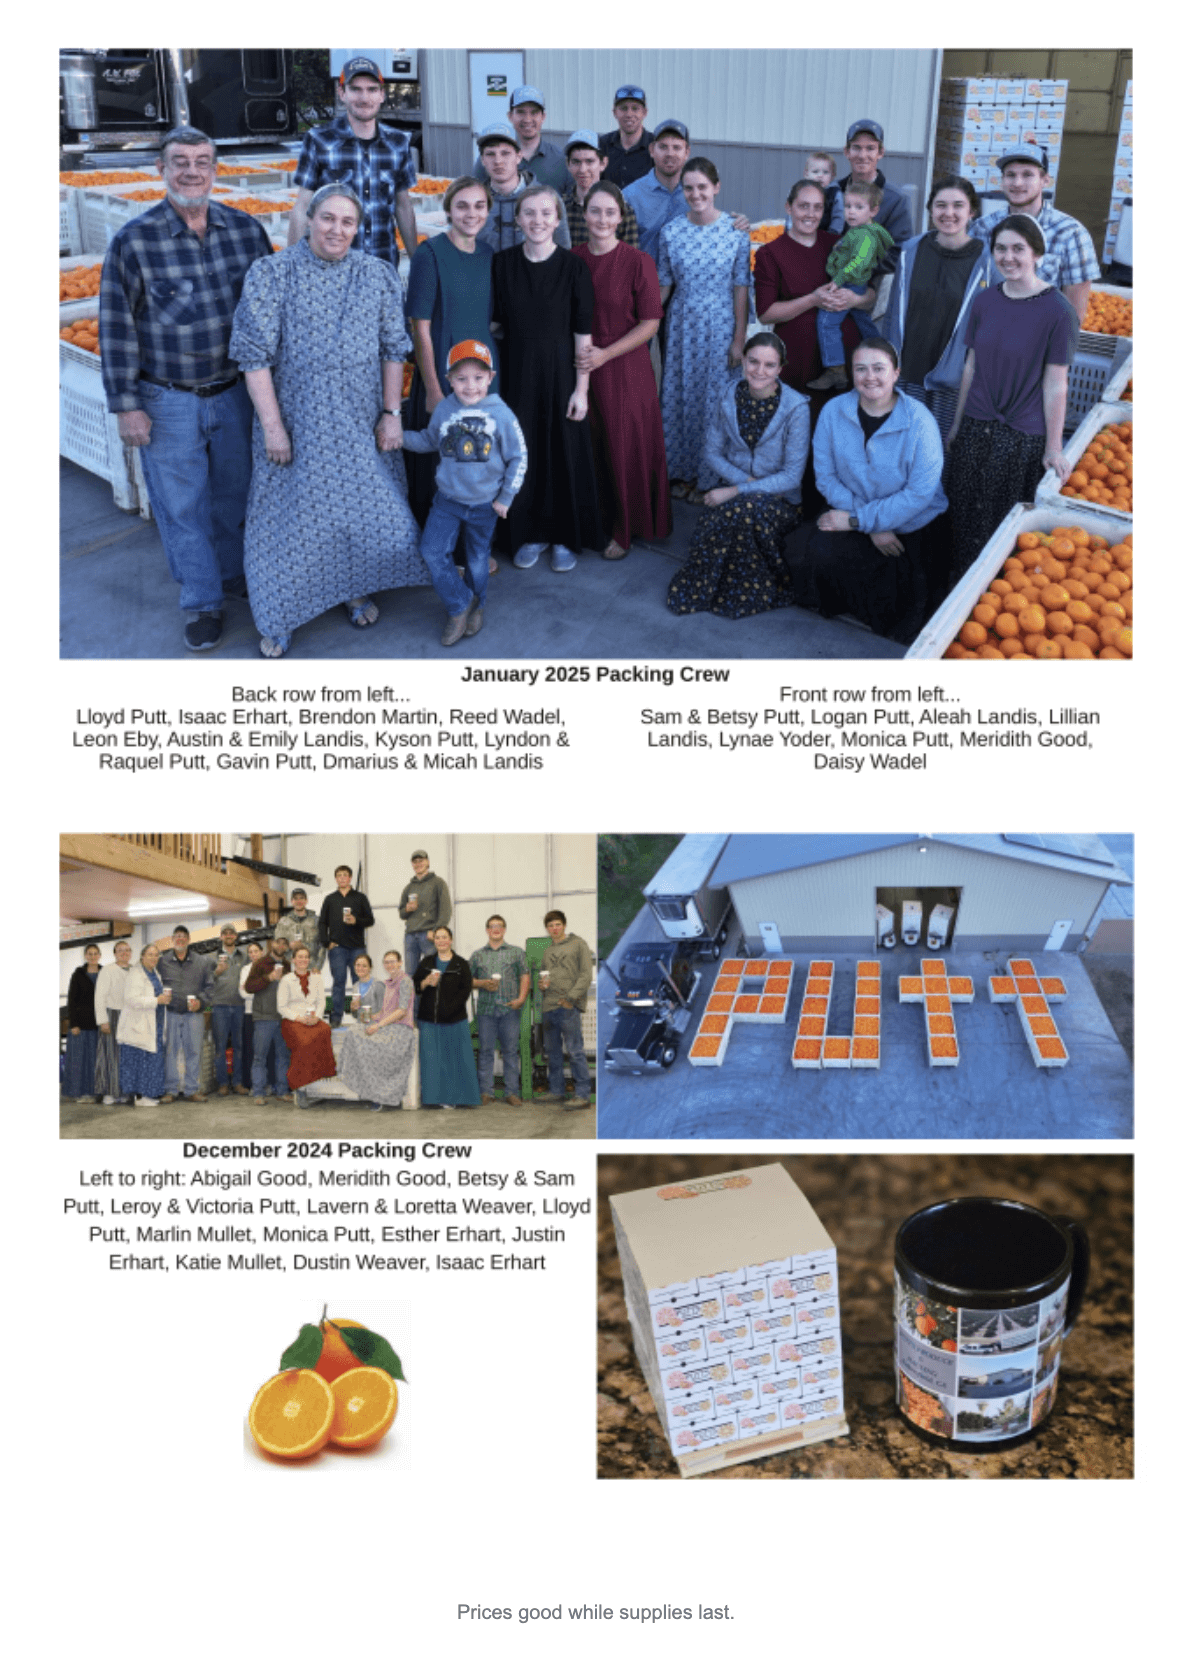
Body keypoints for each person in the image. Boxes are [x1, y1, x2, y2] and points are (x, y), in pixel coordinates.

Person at [229, 183, 424, 658]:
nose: (337, 229)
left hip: (359, 420)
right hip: (297, 422)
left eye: (347, 221)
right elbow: (253, 357)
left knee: (361, 515)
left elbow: (393, 348)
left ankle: (353, 591)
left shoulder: (377, 274)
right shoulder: (272, 273)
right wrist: (273, 428)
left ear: (359, 229)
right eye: (328, 218)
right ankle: (280, 615)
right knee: (290, 523)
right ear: (309, 220)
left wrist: (391, 414)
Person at [99, 125, 271, 652]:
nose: (191, 171)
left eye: (201, 161)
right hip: (168, 398)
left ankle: (232, 572)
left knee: (236, 494)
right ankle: (202, 600)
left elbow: (270, 314)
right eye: (180, 162)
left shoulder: (246, 232)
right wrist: (127, 406)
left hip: (235, 392)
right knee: (181, 506)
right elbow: (116, 328)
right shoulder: (134, 241)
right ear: (161, 169)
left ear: (215, 170)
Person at [784, 338, 946, 642]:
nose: (869, 377)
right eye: (860, 369)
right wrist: (868, 523)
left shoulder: (920, 421)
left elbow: (920, 494)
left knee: (901, 583)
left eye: (878, 368)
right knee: (816, 554)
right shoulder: (833, 411)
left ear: (896, 373)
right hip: (852, 505)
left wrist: (861, 521)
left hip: (909, 520)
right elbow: (826, 477)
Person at [945, 216, 1077, 582]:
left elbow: (1056, 383)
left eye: (1019, 248)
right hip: (976, 427)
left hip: (1020, 436)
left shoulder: (1058, 311)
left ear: (1037, 253)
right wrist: (956, 425)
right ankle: (954, 597)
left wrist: (1054, 447)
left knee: (999, 528)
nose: (1008, 257)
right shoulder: (985, 301)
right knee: (960, 518)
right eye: (1001, 248)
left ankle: (990, 595)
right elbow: (971, 366)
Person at [492, 186, 605, 571]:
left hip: (562, 374)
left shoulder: (574, 267)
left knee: (561, 454)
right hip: (517, 374)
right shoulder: (502, 264)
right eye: (529, 213)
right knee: (523, 454)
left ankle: (563, 536)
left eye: (545, 213)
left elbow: (583, 335)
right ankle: (529, 533)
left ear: (557, 220)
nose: (537, 220)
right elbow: (494, 323)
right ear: (518, 219)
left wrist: (582, 390)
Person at [666, 332, 809, 618]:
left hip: (779, 501)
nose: (759, 370)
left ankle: (743, 593)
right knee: (739, 512)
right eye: (753, 361)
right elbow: (711, 452)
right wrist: (746, 483)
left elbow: (792, 476)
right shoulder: (728, 395)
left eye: (769, 365)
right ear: (743, 360)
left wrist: (736, 491)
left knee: (743, 511)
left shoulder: (796, 407)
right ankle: (714, 590)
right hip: (734, 489)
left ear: (780, 368)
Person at [400, 339, 528, 643]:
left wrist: (506, 497)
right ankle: (460, 603)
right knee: (431, 550)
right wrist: (398, 437)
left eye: (478, 378)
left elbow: (519, 457)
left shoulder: (502, 415)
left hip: (485, 504)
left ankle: (477, 606)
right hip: (447, 501)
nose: (470, 386)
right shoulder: (445, 408)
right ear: (449, 379)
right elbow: (430, 440)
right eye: (461, 379)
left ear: (490, 377)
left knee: (477, 559)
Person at [574, 182, 670, 559]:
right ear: (584, 214)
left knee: (623, 446)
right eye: (595, 211)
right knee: (590, 447)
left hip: (624, 365)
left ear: (621, 217)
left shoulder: (638, 261)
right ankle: (593, 521)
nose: (602, 219)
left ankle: (624, 528)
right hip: (583, 365)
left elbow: (650, 323)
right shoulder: (573, 259)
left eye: (610, 212)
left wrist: (607, 354)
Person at [404, 176, 498, 527]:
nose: (471, 213)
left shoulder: (488, 254)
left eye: (479, 206)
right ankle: (440, 543)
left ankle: (475, 537)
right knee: (442, 463)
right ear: (448, 210)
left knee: (478, 458)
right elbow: (420, 327)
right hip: (443, 373)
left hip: (482, 371)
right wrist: (433, 389)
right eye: (462, 206)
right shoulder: (430, 254)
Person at [657, 159, 752, 498]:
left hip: (722, 324)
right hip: (682, 325)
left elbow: (741, 287)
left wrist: (739, 338)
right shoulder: (671, 232)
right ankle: (682, 473)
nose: (695, 194)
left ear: (716, 187)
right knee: (682, 398)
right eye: (689, 188)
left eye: (702, 187)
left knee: (716, 403)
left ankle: (711, 478)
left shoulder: (736, 231)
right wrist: (640, 322)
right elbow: (664, 286)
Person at [884, 176, 995, 420]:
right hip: (907, 374)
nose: (948, 213)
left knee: (944, 442)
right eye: (941, 205)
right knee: (904, 438)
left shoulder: (987, 262)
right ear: (931, 209)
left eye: (958, 205)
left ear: (972, 212)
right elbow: (893, 312)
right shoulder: (911, 250)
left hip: (954, 382)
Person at [290, 56, 418, 265]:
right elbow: (303, 206)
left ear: (382, 94)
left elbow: (403, 206)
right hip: (332, 267)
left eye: (372, 89)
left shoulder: (398, 143)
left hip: (382, 264)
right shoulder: (319, 140)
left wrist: (418, 262)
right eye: (355, 89)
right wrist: (292, 266)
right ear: (342, 93)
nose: (364, 98)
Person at [753, 180, 868, 395]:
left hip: (846, 361)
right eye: (803, 206)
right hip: (799, 361)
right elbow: (766, 314)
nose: (811, 214)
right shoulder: (770, 254)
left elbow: (870, 296)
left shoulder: (838, 244)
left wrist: (856, 299)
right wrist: (813, 300)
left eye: (817, 207)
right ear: (789, 207)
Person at [971, 143, 1100, 323]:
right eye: (1011, 175)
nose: (1017, 183)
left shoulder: (1071, 234)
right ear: (1002, 180)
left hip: (1039, 335)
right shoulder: (983, 227)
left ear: (1045, 180)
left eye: (1027, 175)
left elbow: (1073, 314)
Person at [807, 180, 893, 391]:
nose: (851, 212)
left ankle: (835, 370)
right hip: (853, 282)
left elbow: (858, 262)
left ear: (873, 210)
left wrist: (838, 279)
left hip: (850, 284)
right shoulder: (857, 230)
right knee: (863, 321)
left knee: (827, 321)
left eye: (859, 207)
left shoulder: (866, 236)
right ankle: (884, 354)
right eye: (848, 206)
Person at [338, 950, 418, 1112]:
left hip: (401, 1029)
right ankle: (364, 1084)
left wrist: (378, 1025)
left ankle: (381, 1094)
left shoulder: (405, 981)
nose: (390, 965)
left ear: (400, 962)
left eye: (393, 961)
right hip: (388, 1025)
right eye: (386, 962)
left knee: (373, 1045)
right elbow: (384, 1011)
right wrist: (368, 1016)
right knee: (355, 1032)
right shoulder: (388, 983)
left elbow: (401, 1011)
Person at [475, 122, 571, 253]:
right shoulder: (473, 203)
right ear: (482, 160)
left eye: (505, 153)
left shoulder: (549, 199)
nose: (498, 161)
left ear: (518, 157)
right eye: (490, 154)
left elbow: (563, 252)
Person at [413, 927, 481, 1109]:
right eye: (437, 937)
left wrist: (450, 1010)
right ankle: (433, 1098)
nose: (441, 941)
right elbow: (415, 986)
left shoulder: (461, 964)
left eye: (444, 937)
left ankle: (458, 1098)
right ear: (434, 941)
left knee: (455, 1060)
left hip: (454, 1020)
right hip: (429, 1020)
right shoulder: (426, 962)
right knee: (432, 1061)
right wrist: (426, 982)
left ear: (451, 940)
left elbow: (465, 990)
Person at [831, 120, 914, 260]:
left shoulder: (896, 200)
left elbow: (899, 253)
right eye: (856, 148)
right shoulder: (833, 192)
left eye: (870, 148)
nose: (862, 155)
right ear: (847, 152)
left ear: (880, 153)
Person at [469, 916, 530, 1106]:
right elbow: (467, 980)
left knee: (510, 1051)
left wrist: (521, 999)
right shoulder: (477, 955)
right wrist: (482, 983)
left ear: (504, 929)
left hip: (509, 1009)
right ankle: (486, 1092)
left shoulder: (516, 952)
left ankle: (512, 1092)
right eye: (492, 926)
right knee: (486, 1051)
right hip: (486, 1011)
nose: (495, 929)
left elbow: (525, 976)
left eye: (499, 926)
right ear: (487, 930)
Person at [539, 911, 593, 1110]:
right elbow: (544, 979)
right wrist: (542, 985)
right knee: (552, 1053)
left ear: (564, 925)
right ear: (547, 928)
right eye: (550, 925)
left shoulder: (578, 944)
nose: (554, 928)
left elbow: (586, 975)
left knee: (575, 1051)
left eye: (557, 924)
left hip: (568, 1007)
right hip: (549, 1007)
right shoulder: (547, 951)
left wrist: (570, 998)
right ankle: (556, 1091)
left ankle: (583, 1095)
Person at [157, 925, 213, 1102]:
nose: (180, 939)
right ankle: (170, 1090)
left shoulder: (201, 962)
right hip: (170, 1013)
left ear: (189, 940)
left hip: (194, 1014)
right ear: (172, 940)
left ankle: (192, 1090)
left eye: (183, 936)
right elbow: (154, 985)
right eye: (177, 936)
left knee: (194, 1051)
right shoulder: (162, 962)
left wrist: (201, 1002)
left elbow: (210, 987)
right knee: (170, 1052)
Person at [279, 945, 336, 1109]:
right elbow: (281, 1007)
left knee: (325, 1030)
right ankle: (300, 1087)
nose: (303, 960)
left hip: (313, 1019)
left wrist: (316, 1017)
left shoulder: (317, 978)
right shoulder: (286, 980)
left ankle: (318, 1081)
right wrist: (300, 1018)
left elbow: (322, 1002)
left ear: (309, 960)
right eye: (300, 957)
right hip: (293, 1021)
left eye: (306, 957)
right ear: (293, 960)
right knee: (304, 1043)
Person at [318, 864, 375, 1026]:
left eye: (345, 875)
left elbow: (370, 920)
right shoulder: (330, 899)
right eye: (339, 875)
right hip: (337, 949)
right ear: (336, 879)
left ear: (350, 878)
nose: (342, 878)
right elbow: (322, 922)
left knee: (360, 982)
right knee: (339, 982)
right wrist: (326, 942)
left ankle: (362, 1016)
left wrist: (356, 920)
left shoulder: (360, 897)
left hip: (357, 948)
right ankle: (336, 1018)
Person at [562, 132, 641, 248]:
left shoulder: (622, 210)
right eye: (576, 162)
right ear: (568, 164)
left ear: (603, 163)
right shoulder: (559, 207)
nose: (582, 169)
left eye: (589, 161)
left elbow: (631, 255)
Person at [118, 944, 171, 1108]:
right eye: (150, 954)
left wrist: (162, 999)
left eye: (156, 955)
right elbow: (131, 999)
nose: (154, 958)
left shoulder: (155, 973)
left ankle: (150, 1094)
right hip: (139, 1024)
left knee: (153, 1060)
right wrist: (156, 1000)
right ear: (142, 956)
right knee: (141, 1061)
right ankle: (141, 1096)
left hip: (155, 1022)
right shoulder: (135, 974)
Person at [245, 939, 292, 1104]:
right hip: (264, 1017)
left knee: (283, 1056)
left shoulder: (287, 965)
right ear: (272, 944)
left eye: (284, 943)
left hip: (283, 1017)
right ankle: (258, 1093)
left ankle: (282, 1091)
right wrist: (269, 977)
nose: (281, 946)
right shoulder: (260, 963)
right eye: (278, 942)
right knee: (260, 1057)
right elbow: (249, 987)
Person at [208, 924, 250, 1097]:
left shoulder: (244, 956)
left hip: (240, 1006)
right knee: (220, 1046)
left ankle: (238, 1083)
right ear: (221, 937)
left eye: (231, 933)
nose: (228, 936)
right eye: (225, 933)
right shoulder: (212, 957)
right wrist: (216, 972)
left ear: (236, 936)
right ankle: (223, 1083)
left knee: (239, 1046)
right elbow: (206, 981)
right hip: (220, 1006)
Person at [399, 852, 453, 979]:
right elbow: (401, 913)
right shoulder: (408, 888)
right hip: (410, 936)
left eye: (421, 860)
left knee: (434, 972)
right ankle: (414, 993)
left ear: (428, 862)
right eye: (415, 862)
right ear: (412, 865)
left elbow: (446, 910)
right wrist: (407, 909)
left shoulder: (438, 883)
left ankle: (435, 993)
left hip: (429, 935)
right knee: (411, 975)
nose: (418, 864)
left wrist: (435, 931)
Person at [508, 85, 569, 194]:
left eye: (534, 112)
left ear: (543, 117)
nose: (527, 119)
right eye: (521, 112)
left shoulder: (561, 160)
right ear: (510, 116)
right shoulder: (495, 158)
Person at [94, 938, 134, 1104]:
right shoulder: (107, 970)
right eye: (120, 950)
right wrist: (103, 1020)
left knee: (127, 1057)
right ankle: (109, 1093)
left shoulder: (135, 970)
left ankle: (124, 1092)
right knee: (111, 1056)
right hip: (112, 1016)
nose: (124, 953)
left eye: (127, 950)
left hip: (130, 1017)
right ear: (115, 954)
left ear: (131, 953)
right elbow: (99, 996)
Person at [64, 943, 102, 1103]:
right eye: (89, 954)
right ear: (85, 956)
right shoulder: (78, 974)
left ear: (99, 955)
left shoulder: (104, 972)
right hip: (80, 1025)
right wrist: (74, 1024)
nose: (92, 956)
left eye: (95, 953)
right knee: (78, 1060)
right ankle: (77, 1092)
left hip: (98, 1023)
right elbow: (72, 1000)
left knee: (94, 1060)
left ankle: (93, 1092)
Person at [601, 85, 655, 190]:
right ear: (615, 112)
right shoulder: (602, 144)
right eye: (623, 108)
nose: (629, 114)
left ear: (644, 113)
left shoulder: (656, 146)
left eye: (635, 108)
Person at [238, 938, 266, 1090]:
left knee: (266, 1050)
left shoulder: (269, 968)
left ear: (262, 952)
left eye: (256, 951)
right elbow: (243, 993)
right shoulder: (245, 970)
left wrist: (251, 989)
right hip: (250, 1014)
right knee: (250, 1049)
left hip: (267, 1015)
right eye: (250, 952)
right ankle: (250, 1084)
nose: (253, 954)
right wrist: (260, 990)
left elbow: (269, 992)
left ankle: (267, 1083)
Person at [272, 887, 323, 967]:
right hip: (290, 966)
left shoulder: (316, 921)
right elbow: (277, 946)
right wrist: (289, 946)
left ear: (306, 901)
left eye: (301, 898)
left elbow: (322, 945)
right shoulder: (283, 922)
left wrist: (318, 966)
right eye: (295, 898)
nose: (299, 901)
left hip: (311, 965)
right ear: (292, 901)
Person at [803, 152, 841, 233]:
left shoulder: (834, 193)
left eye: (825, 172)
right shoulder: (801, 192)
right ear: (806, 174)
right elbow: (794, 213)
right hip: (803, 232)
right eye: (815, 172)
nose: (820, 175)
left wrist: (834, 232)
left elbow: (839, 216)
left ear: (832, 176)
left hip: (826, 233)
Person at [349, 954, 385, 1021]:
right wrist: (353, 1009)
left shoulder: (378, 985)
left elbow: (385, 1012)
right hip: (361, 1024)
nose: (360, 968)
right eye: (358, 965)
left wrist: (372, 1017)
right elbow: (356, 1016)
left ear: (370, 968)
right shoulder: (355, 987)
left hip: (377, 1024)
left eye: (364, 966)